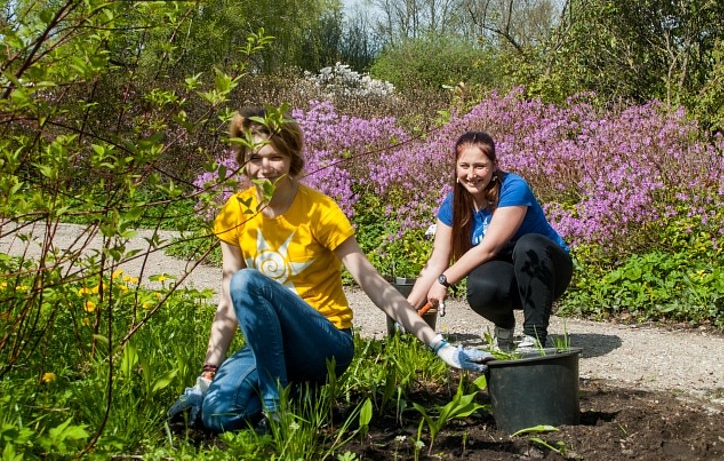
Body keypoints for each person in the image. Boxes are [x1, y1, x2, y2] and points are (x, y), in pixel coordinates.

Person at [167, 109, 491, 432]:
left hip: (325, 342)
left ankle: (275, 410)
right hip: (269, 345)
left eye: (275, 157)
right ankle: (298, 395)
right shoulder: (235, 212)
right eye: (254, 158)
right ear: (243, 161)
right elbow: (228, 301)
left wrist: (439, 345)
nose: (264, 168)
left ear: (292, 159)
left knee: (247, 282)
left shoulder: (319, 211)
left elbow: (373, 283)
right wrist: (206, 377)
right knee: (219, 414)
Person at [407, 131, 572, 351]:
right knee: (480, 285)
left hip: (548, 272)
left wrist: (444, 281)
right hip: (509, 277)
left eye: (480, 166)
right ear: (456, 167)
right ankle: (504, 328)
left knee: (528, 245)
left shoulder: (513, 188)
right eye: (464, 166)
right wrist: (406, 311)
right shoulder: (453, 205)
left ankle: (534, 336)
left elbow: (489, 248)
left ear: (494, 166)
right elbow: (437, 262)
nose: (471, 174)